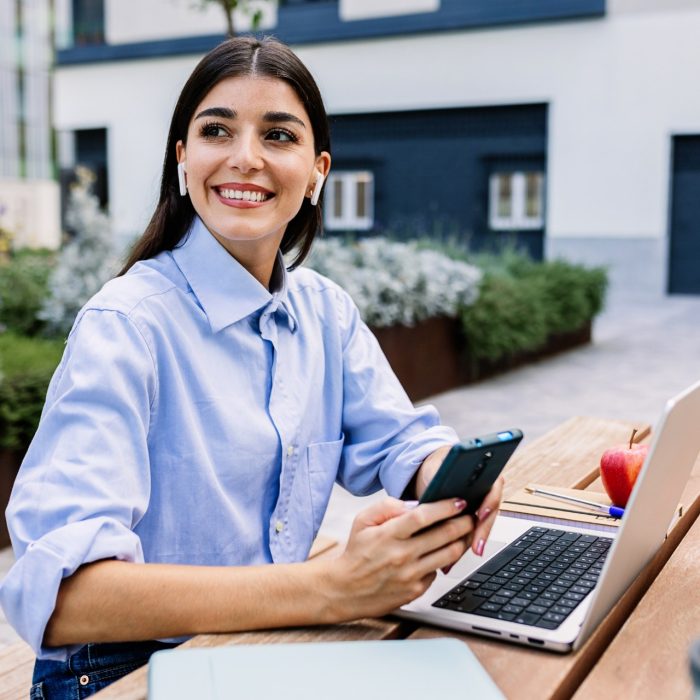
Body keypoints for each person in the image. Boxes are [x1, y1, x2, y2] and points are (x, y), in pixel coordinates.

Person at [0, 36, 503, 698]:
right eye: (216, 130)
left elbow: (402, 439)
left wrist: (449, 476)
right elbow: (64, 598)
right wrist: (329, 588)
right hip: (123, 672)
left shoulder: (325, 313)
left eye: (278, 135)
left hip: (265, 647)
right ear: (184, 158)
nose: (245, 158)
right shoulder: (125, 327)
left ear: (318, 170)